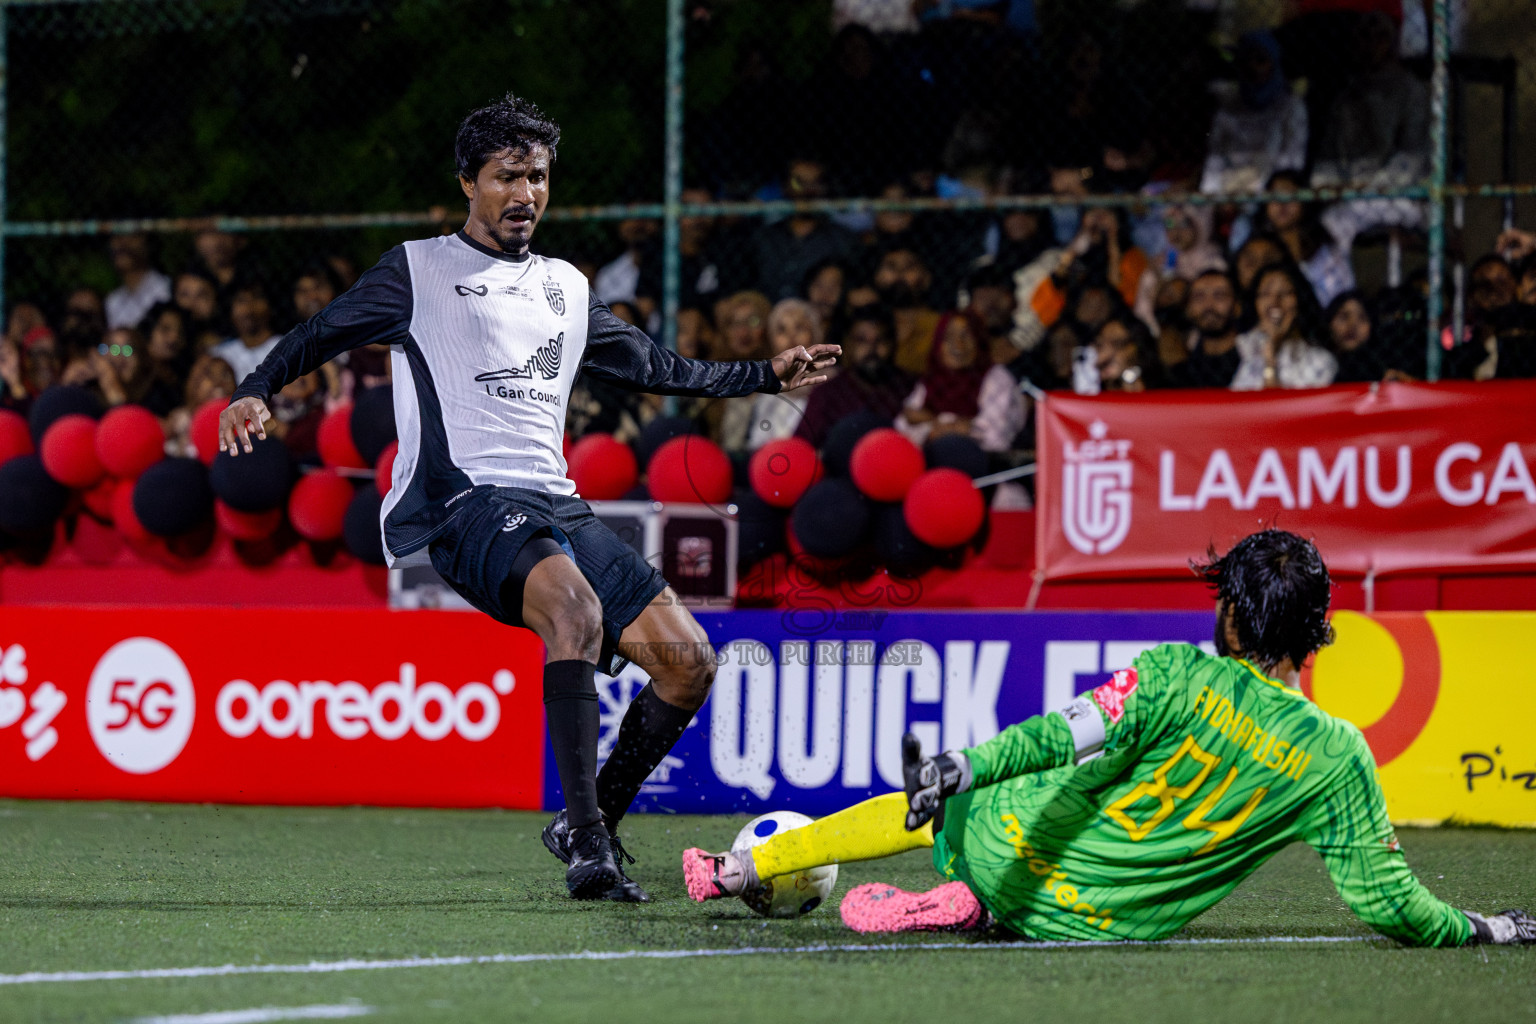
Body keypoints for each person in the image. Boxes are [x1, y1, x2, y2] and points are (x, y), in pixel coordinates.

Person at [217, 94, 837, 904]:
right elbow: (317, 333)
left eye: (538, 176)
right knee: (573, 613)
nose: (526, 194)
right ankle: (588, 846)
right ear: (467, 182)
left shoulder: (565, 285)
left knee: (688, 664)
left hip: (558, 504)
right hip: (464, 504)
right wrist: (255, 388)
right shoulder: (419, 270)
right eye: (507, 176)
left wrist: (763, 373)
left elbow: (656, 367)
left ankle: (592, 814)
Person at [683, 529, 1536, 949]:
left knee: (951, 804)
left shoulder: (1171, 672)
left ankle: (735, 873)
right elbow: (1390, 901)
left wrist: (965, 765)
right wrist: (1486, 928)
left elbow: (1063, 733)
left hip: (1012, 845)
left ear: (1230, 611)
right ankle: (980, 909)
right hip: (1096, 928)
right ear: (1315, 633)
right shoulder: (1336, 757)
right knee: (1019, 830)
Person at [1199, 30, 1308, 195]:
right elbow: (1214, 159)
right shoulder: (1229, 107)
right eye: (1246, 60)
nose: (1253, 68)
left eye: (1261, 60)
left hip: (1268, 194)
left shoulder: (1291, 107)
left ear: (1274, 62)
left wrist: (1251, 185)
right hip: (1226, 193)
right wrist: (1215, 194)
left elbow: (1292, 162)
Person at [794, 305, 913, 449]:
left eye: (881, 340)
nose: (872, 349)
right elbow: (800, 447)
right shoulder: (827, 394)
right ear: (848, 344)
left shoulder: (911, 387)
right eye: (862, 340)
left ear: (893, 343)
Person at [1232, 263, 1337, 390]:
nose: (1274, 302)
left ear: (1300, 300)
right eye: (1265, 293)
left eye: (1285, 293)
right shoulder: (1241, 350)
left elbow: (1276, 406)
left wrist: (1270, 361)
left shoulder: (1321, 360)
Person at [1170, 270, 1243, 389]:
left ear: (1237, 306)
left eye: (1219, 296)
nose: (1208, 305)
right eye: (1199, 297)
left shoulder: (1254, 360)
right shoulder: (1181, 374)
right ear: (1188, 309)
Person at [209, 278, 284, 385]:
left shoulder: (287, 347)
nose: (248, 308)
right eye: (241, 300)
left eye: (256, 298)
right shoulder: (220, 354)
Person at [104, 233, 173, 331]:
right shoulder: (113, 300)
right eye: (117, 237)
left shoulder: (165, 287)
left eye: (132, 236)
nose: (122, 244)